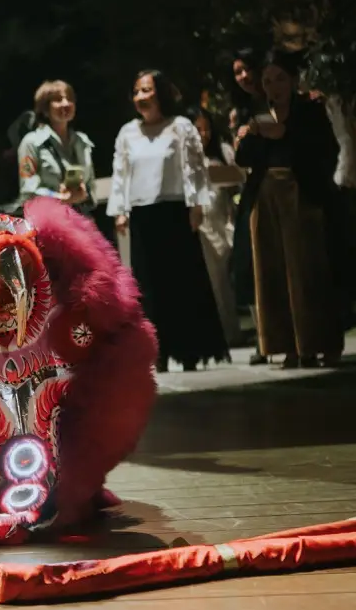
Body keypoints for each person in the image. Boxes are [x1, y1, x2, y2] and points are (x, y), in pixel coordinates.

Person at [108, 70, 229, 372]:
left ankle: (189, 351)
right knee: (149, 285)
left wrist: (196, 204)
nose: (140, 97)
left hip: (175, 212)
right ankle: (157, 352)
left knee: (182, 283)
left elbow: (194, 168)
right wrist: (120, 210)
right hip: (143, 214)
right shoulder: (128, 133)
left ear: (160, 93)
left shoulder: (180, 127)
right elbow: (121, 174)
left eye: (146, 90)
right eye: (137, 91)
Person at [235, 49, 344, 368]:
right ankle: (286, 345)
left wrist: (286, 134)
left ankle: (318, 342)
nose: (274, 87)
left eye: (280, 79)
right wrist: (255, 135)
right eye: (268, 81)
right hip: (265, 196)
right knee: (272, 272)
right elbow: (243, 157)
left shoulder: (308, 110)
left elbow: (327, 149)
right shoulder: (257, 114)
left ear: (293, 80)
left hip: (301, 193)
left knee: (307, 268)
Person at [228, 46, 268, 363]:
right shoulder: (241, 113)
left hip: (285, 184)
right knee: (247, 264)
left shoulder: (283, 103)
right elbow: (239, 159)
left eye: (246, 69)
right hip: (255, 187)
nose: (243, 77)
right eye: (237, 73)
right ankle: (263, 338)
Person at [192, 107, 243, 346]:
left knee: (225, 281)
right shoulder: (183, 159)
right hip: (201, 225)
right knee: (210, 283)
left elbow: (237, 180)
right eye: (198, 129)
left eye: (206, 129)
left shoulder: (222, 152)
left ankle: (232, 332)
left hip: (223, 221)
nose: (203, 134)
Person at [18, 79, 97, 217]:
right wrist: (59, 198)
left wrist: (84, 194)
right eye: (58, 99)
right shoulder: (31, 143)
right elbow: (28, 190)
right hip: (49, 220)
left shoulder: (82, 141)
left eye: (70, 99)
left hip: (81, 220)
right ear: (45, 108)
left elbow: (91, 185)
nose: (66, 103)